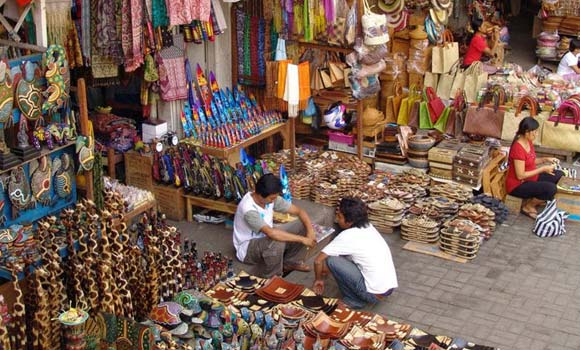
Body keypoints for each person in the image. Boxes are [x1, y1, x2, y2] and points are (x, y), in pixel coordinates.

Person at [312, 197, 398, 309]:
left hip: (373, 295)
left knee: (332, 260)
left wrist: (319, 280)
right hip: (387, 289)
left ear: (349, 221)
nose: (337, 219)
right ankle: (360, 294)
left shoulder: (347, 236)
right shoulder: (368, 226)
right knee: (341, 258)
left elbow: (318, 260)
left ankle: (353, 300)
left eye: (340, 216)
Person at [233, 173, 316, 277]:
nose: (273, 200)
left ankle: (290, 262)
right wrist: (302, 239)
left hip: (265, 238)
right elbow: (272, 234)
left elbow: (299, 211)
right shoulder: (248, 209)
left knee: (303, 224)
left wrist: (310, 231)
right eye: (272, 198)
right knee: (276, 241)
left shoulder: (270, 198)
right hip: (247, 249)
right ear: (260, 194)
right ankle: (273, 277)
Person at [506, 117, 563, 219]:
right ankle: (528, 206)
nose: (536, 135)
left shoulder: (528, 141)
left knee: (559, 175)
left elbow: (531, 162)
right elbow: (520, 175)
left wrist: (546, 159)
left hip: (531, 177)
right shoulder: (518, 148)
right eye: (534, 132)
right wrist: (543, 169)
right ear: (527, 132)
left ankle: (536, 197)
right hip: (518, 185)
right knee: (551, 189)